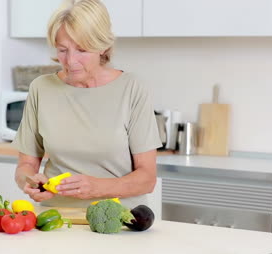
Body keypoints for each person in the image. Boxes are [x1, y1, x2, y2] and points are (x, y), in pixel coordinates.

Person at [12, 0, 162, 208]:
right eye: (62, 50)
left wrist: (98, 188)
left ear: (102, 47)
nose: (71, 61)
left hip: (119, 222)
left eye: (82, 50)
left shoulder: (132, 88)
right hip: (55, 220)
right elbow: (26, 165)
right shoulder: (41, 88)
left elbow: (147, 179)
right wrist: (29, 182)